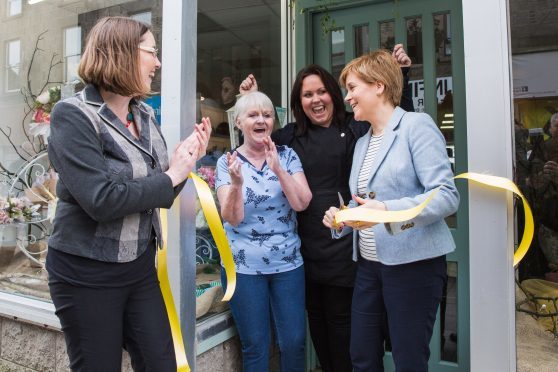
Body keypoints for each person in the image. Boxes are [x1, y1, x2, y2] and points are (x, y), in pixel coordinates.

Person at [46, 17, 211, 371]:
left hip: (138, 267)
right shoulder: (72, 116)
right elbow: (101, 200)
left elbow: (161, 190)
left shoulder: (144, 115)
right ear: (122, 55)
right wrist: (171, 176)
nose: (158, 62)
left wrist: (185, 162)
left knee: (161, 364)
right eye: (152, 52)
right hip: (85, 273)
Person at [238, 44, 414, 372]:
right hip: (304, 250)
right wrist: (252, 101)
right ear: (298, 102)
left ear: (334, 94)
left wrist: (402, 76)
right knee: (318, 328)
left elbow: (394, 127)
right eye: (307, 95)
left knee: (345, 334)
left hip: (346, 248)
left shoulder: (357, 127)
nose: (316, 100)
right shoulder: (291, 136)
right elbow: (255, 144)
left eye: (322, 92)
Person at [323, 50, 459, 372]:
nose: (348, 97)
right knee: (362, 357)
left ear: (379, 86)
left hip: (414, 267)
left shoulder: (416, 125)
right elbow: (364, 204)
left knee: (409, 360)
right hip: (369, 268)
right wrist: (341, 218)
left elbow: (446, 196)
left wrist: (385, 210)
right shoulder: (360, 143)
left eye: (353, 87)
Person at [215, 91, 312, 372]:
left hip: (288, 264)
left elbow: (302, 202)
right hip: (243, 268)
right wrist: (236, 184)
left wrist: (279, 170)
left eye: (267, 115)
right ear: (239, 122)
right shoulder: (227, 163)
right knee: (255, 346)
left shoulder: (288, 155)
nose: (261, 120)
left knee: (293, 342)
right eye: (253, 115)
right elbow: (232, 218)